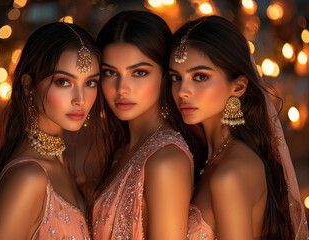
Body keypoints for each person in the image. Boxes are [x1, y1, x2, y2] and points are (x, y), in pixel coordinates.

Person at [169, 15, 309, 240]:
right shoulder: (216, 157)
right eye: (176, 77)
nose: (182, 90)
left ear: (238, 87)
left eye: (200, 77)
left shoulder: (230, 174)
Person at [0, 21, 103, 239]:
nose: (80, 100)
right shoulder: (28, 177)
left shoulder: (59, 161)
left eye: (90, 83)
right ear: (28, 86)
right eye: (64, 82)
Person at [92, 10, 202, 240]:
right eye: (111, 72)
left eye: (139, 72)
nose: (122, 87)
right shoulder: (122, 147)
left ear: (165, 76)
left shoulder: (166, 161)